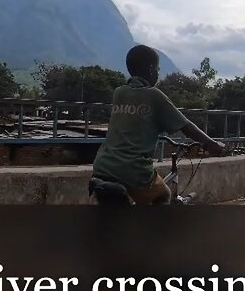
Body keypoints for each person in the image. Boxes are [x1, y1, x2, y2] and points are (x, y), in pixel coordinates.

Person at [91, 45, 225, 204]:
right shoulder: (154, 96)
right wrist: (211, 144)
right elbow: (185, 125)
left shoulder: (119, 92)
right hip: (133, 171)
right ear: (150, 69)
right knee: (164, 195)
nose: (158, 74)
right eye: (157, 69)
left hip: (102, 166)